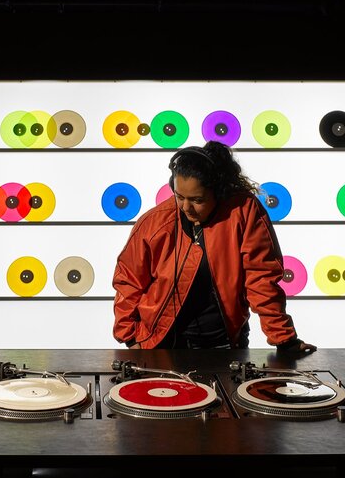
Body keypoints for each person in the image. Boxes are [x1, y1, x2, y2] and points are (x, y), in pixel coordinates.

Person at [112, 141, 316, 353]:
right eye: (179, 197)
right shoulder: (155, 223)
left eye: (197, 200)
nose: (185, 207)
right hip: (161, 344)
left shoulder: (243, 212)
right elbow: (128, 281)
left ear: (219, 192)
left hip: (224, 343)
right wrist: (130, 338)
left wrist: (284, 339)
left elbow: (261, 279)